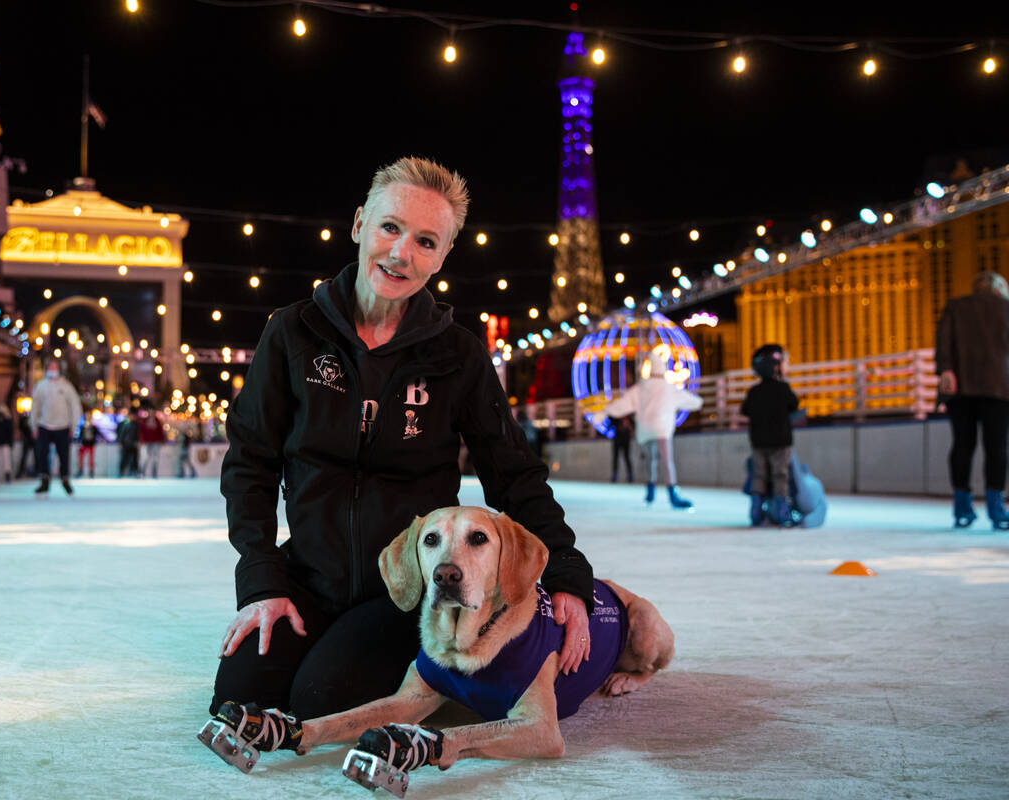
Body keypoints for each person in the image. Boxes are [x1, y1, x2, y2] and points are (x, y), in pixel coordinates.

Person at [211, 157, 594, 723]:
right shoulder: (291, 332)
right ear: (360, 223)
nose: (400, 253)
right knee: (239, 698)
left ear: (441, 257)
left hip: (407, 588)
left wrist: (565, 569)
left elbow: (511, 469)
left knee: (319, 698)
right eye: (390, 228)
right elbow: (251, 463)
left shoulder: (457, 355)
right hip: (309, 577)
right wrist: (263, 582)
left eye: (425, 241)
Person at [935, 270, 1009, 530]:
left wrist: (946, 370)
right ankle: (996, 508)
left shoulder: (956, 306)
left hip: (960, 387)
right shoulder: (1006, 308)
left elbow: (943, 342)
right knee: (997, 447)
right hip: (999, 389)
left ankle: (962, 507)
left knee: (962, 445)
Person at [601, 344, 704, 509]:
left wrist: (606, 411)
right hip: (662, 429)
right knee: (666, 460)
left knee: (650, 459)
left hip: (646, 429)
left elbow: (624, 403)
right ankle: (672, 493)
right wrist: (699, 402)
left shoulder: (641, 388)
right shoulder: (669, 387)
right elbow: (690, 401)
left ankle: (650, 491)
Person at [740, 344, 800, 526]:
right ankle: (782, 511)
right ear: (776, 366)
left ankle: (756, 511)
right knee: (780, 474)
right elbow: (794, 405)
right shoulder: (783, 389)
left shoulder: (754, 392)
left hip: (758, 442)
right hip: (780, 441)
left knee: (759, 475)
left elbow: (745, 410)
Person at [30, 359, 82, 495]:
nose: (52, 369)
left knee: (64, 455)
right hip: (44, 425)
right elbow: (35, 406)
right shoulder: (41, 386)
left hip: (63, 426)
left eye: (55, 367)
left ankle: (65, 479)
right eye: (50, 367)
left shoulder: (66, 386)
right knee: (42, 454)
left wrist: (74, 426)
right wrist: (33, 426)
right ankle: (44, 480)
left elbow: (75, 406)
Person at [0, 404, 14, 484]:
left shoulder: (7, 419)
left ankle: (7, 475)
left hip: (5, 442)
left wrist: (10, 443)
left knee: (6, 460)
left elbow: (10, 432)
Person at [138, 408, 164, 478]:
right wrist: (142, 441)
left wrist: (161, 441)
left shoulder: (157, 421)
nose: (151, 414)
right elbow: (141, 432)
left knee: (155, 458)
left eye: (153, 412)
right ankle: (141, 472)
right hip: (146, 443)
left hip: (155, 442)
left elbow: (160, 432)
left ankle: (154, 473)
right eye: (150, 412)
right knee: (144, 458)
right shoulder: (144, 421)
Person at [75, 410, 102, 478]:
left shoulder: (93, 426)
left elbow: (97, 434)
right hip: (84, 444)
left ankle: (91, 472)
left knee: (91, 458)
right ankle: (80, 471)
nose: (88, 416)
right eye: (86, 415)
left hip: (91, 444)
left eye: (89, 415)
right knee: (81, 458)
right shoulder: (82, 426)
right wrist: (78, 442)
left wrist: (99, 439)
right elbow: (80, 435)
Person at [116, 408, 140, 477]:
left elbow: (137, 434)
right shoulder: (125, 423)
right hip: (126, 444)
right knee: (124, 459)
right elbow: (122, 433)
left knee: (134, 459)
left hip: (133, 444)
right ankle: (121, 472)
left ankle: (134, 472)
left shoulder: (136, 424)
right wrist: (120, 442)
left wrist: (138, 442)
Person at [610, 414, 634, 483]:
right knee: (615, 458)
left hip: (626, 438)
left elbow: (632, 426)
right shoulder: (615, 414)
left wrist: (628, 425)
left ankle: (630, 475)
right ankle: (614, 475)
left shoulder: (629, 415)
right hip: (617, 438)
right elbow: (611, 424)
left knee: (627, 457)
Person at [15, 409, 35, 478]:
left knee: (37, 456)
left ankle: (37, 471)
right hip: (27, 439)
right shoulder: (24, 418)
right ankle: (20, 472)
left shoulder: (35, 418)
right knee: (24, 456)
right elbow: (20, 428)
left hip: (34, 440)